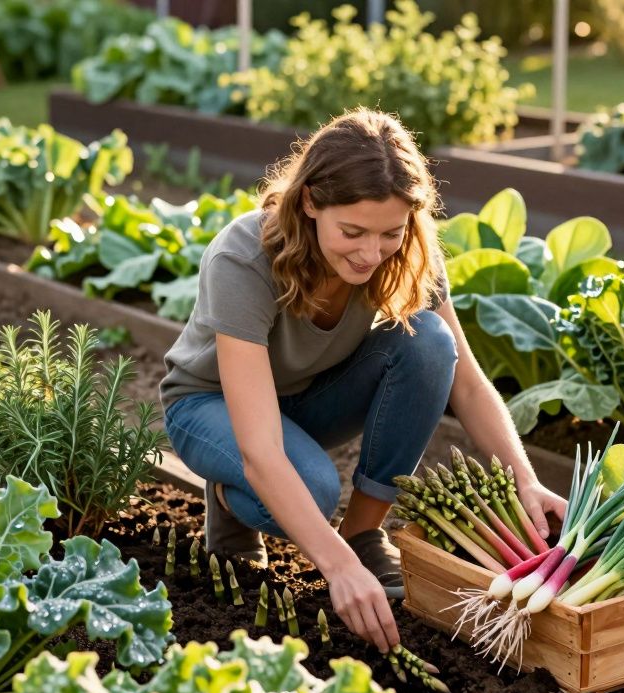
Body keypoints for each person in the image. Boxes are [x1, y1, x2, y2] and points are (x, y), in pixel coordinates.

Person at [158, 108, 567, 654]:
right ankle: (232, 502)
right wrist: (337, 570)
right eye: (351, 232)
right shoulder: (245, 257)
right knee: (313, 488)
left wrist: (525, 480)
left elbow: (465, 383)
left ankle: (363, 532)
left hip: (307, 398)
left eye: (389, 234)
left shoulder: (412, 250)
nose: (371, 253)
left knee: (429, 343)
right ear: (310, 203)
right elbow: (259, 445)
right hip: (210, 407)